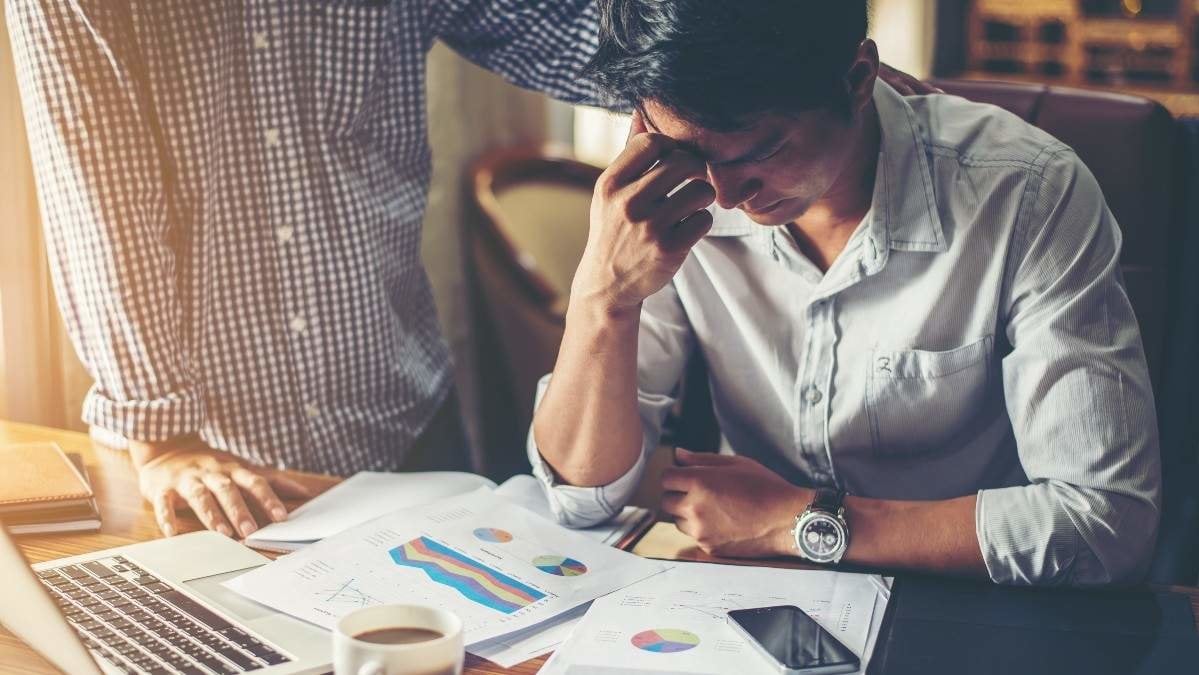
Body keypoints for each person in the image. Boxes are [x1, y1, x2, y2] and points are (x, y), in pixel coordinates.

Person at [7, 0, 930, 541]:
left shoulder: (1007, 186)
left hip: (405, 396)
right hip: (211, 451)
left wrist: (775, 76)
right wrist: (161, 429)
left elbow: (547, 27)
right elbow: (96, 179)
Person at [530, 0, 1161, 585]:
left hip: (968, 604)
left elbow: (1104, 524)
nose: (723, 196)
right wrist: (601, 295)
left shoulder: (1027, 191)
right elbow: (581, 496)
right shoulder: (672, 199)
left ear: (858, 79)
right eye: (687, 150)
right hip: (743, 596)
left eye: (764, 149)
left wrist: (798, 521)